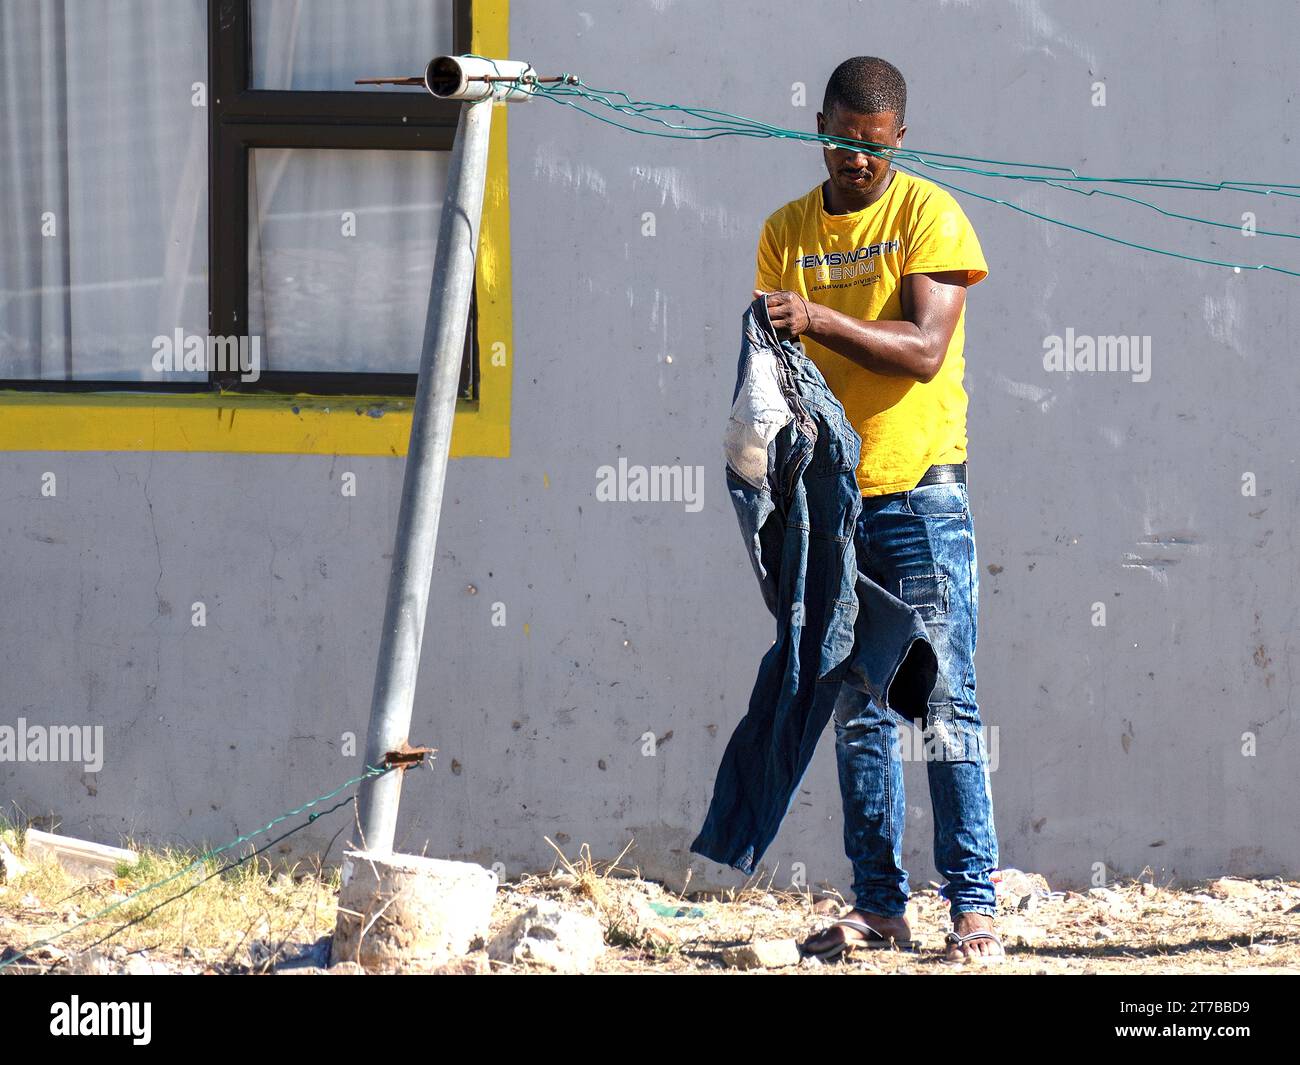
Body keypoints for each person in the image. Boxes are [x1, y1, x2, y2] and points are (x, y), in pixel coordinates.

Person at [753, 56, 1002, 963]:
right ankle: (879, 904)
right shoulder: (785, 229)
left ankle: (973, 904)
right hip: (834, 503)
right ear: (817, 123)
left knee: (943, 702)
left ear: (899, 138)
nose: (853, 157)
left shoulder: (928, 215)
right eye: (839, 137)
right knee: (860, 708)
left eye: (872, 144)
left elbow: (926, 348)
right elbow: (776, 374)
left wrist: (817, 318)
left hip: (921, 495)